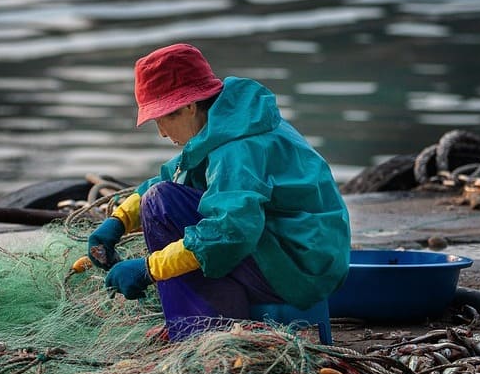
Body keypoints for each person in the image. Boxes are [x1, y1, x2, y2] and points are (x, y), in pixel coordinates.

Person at [87, 43, 351, 341]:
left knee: (161, 205)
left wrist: (149, 269)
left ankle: (202, 333)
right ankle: (204, 318)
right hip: (300, 252)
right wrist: (118, 221)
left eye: (163, 119)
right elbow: (175, 176)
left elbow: (230, 233)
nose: (161, 132)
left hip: (298, 270)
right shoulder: (232, 122)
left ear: (189, 106)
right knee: (163, 196)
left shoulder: (238, 148)